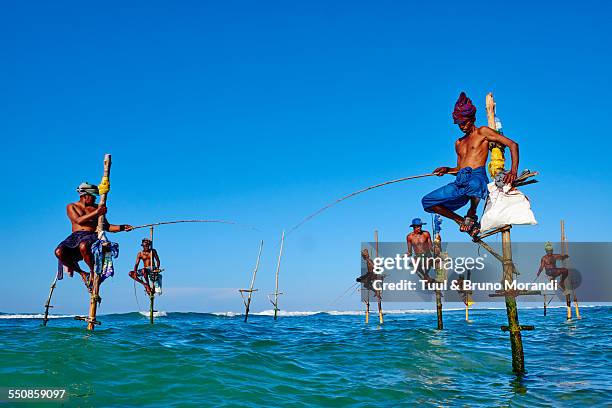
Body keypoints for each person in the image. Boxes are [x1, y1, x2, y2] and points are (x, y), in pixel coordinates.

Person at [422, 92, 520, 237]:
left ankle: (472, 212)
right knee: (427, 201)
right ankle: (461, 220)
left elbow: (513, 144)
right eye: (459, 124)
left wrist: (513, 171)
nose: (462, 126)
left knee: (474, 184)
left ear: (473, 119)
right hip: (461, 180)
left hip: (477, 177)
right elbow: (460, 168)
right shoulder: (458, 143)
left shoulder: (482, 132)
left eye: (465, 122)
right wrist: (447, 169)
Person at [55, 182, 132, 291]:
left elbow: (107, 226)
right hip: (75, 236)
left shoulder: (97, 208)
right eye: (92, 196)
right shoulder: (72, 206)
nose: (95, 199)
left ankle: (92, 272)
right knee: (59, 251)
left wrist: (122, 227)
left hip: (91, 236)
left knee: (83, 245)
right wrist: (97, 212)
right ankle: (83, 273)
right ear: (85, 196)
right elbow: (78, 220)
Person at [406, 218, 434, 282]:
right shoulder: (409, 237)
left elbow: (431, 247)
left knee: (429, 261)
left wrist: (435, 248)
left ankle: (425, 276)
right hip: (418, 255)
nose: (420, 228)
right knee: (414, 262)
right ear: (414, 227)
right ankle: (426, 277)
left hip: (427, 254)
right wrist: (407, 254)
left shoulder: (426, 234)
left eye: (420, 226)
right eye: (418, 226)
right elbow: (410, 252)